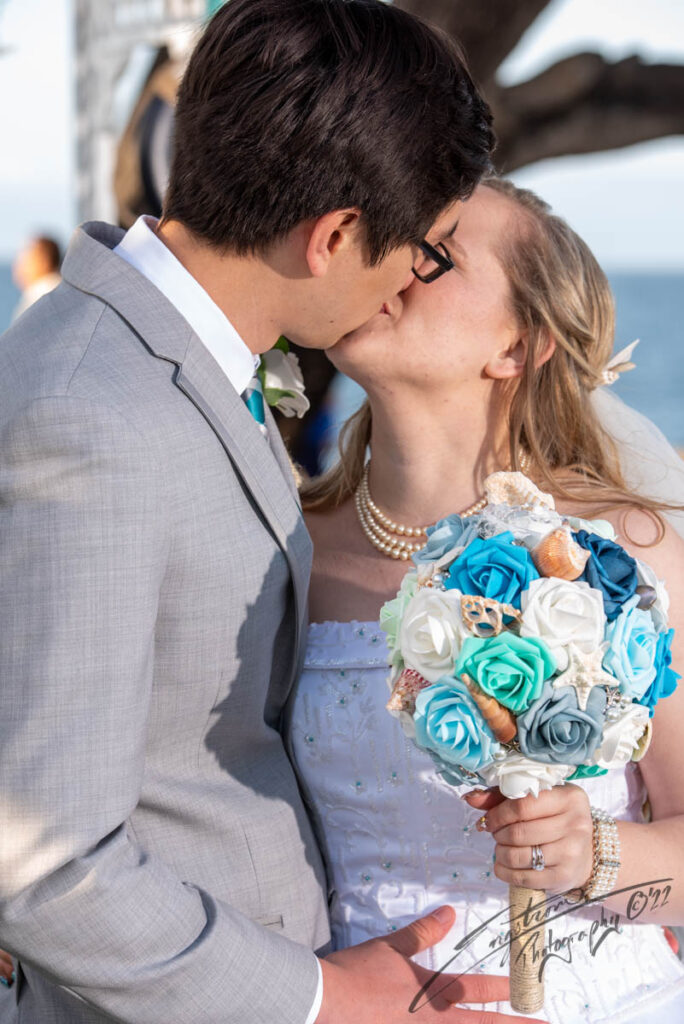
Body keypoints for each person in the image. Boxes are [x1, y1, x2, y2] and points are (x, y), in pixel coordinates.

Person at [0, 2, 541, 1022]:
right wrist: (323, 996)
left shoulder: (169, 360)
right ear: (333, 236)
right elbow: (43, 863)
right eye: (424, 252)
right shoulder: (90, 412)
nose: (409, 284)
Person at [296, 177, 684, 1023]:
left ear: (519, 345)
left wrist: (595, 854)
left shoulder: (624, 554)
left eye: (434, 253)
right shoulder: (289, 547)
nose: (389, 260)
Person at [11, 234, 62, 321]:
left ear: (43, 262)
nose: (18, 268)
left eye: (25, 261)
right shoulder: (60, 289)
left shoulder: (39, 296)